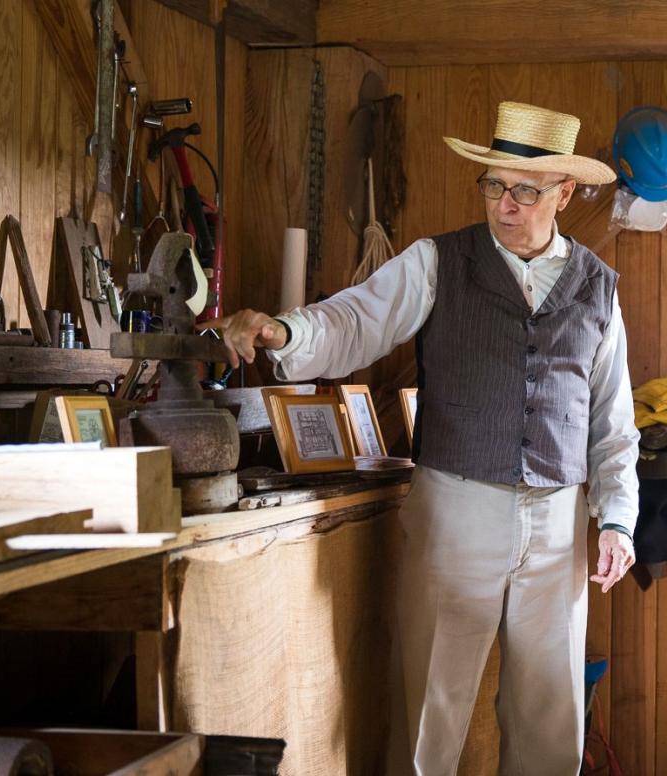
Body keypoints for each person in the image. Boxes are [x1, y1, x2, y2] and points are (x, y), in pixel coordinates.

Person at [203, 101, 640, 775]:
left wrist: (617, 521)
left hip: (557, 523)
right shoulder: (438, 262)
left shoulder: (598, 289)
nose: (505, 205)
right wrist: (284, 333)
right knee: (430, 712)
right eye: (493, 186)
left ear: (565, 193)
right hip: (455, 508)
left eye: (524, 190)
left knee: (550, 716)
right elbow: (357, 320)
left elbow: (612, 422)